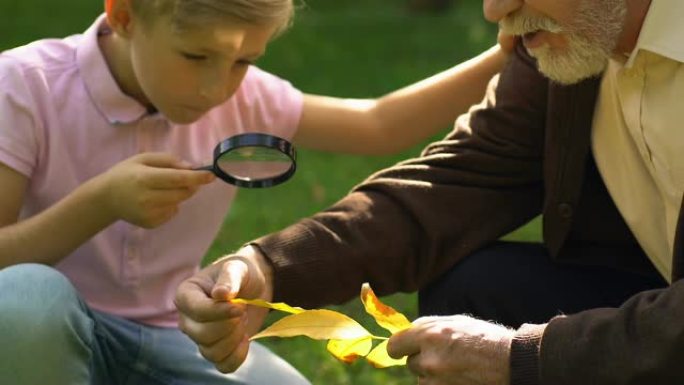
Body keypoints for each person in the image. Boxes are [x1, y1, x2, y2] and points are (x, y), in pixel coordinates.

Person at [0, 0, 514, 384]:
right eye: (195, 55)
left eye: (244, 60)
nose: (217, 88)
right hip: (44, 339)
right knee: (27, 299)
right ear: (125, 14)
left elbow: (379, 125)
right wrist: (101, 202)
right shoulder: (25, 85)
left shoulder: (244, 97)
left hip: (173, 337)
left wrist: (507, 51)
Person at [175, 0, 684, 384]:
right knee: (473, 288)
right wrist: (272, 268)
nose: (495, 10)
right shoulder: (572, 34)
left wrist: (522, 357)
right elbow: (460, 180)